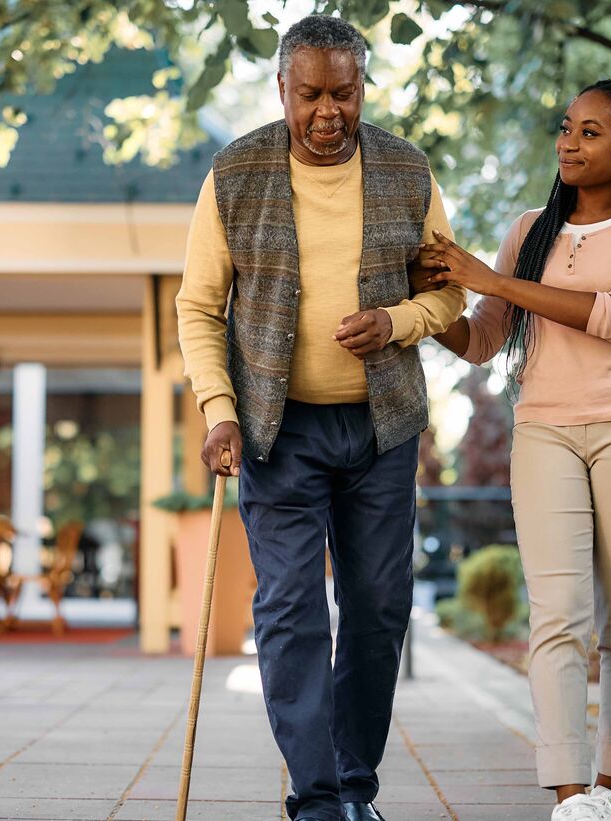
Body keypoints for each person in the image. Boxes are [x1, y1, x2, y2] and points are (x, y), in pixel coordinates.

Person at [174, 15, 464, 821]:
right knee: (291, 609)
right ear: (282, 90)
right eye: (311, 95)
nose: (329, 111)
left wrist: (396, 322)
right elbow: (199, 307)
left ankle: (354, 784)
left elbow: (450, 292)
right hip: (277, 429)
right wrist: (219, 409)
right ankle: (317, 799)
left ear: (363, 86)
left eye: (345, 91)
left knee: (376, 609)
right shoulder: (235, 175)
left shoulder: (408, 170)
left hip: (382, 427)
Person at [418, 79, 611, 821]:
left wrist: (492, 277)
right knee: (559, 615)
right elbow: (481, 339)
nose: (569, 143)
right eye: (566, 128)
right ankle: (571, 795)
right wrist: (427, 305)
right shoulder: (528, 230)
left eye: (591, 132)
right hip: (544, 431)